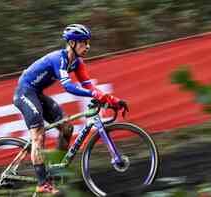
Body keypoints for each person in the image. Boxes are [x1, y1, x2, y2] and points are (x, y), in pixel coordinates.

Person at [13, 24, 128, 194]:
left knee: (67, 127)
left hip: (37, 93)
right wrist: (96, 96)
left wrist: (112, 99)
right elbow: (68, 86)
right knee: (38, 134)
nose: (87, 46)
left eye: (88, 42)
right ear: (72, 43)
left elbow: (89, 86)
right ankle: (42, 183)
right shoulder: (59, 58)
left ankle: (56, 168)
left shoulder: (77, 63)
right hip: (25, 92)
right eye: (83, 42)